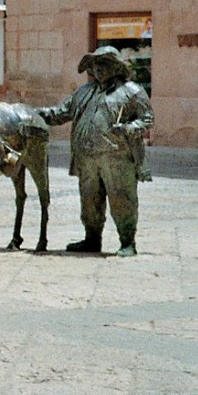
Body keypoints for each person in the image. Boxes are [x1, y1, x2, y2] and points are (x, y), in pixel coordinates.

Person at [40, 46, 153, 257]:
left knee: (122, 200)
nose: (98, 69)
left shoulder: (132, 92)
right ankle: (92, 239)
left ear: (116, 67)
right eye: (95, 65)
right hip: (87, 158)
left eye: (103, 64)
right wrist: (37, 114)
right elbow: (61, 113)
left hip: (118, 157)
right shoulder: (84, 92)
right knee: (90, 202)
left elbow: (147, 120)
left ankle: (127, 241)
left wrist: (128, 128)